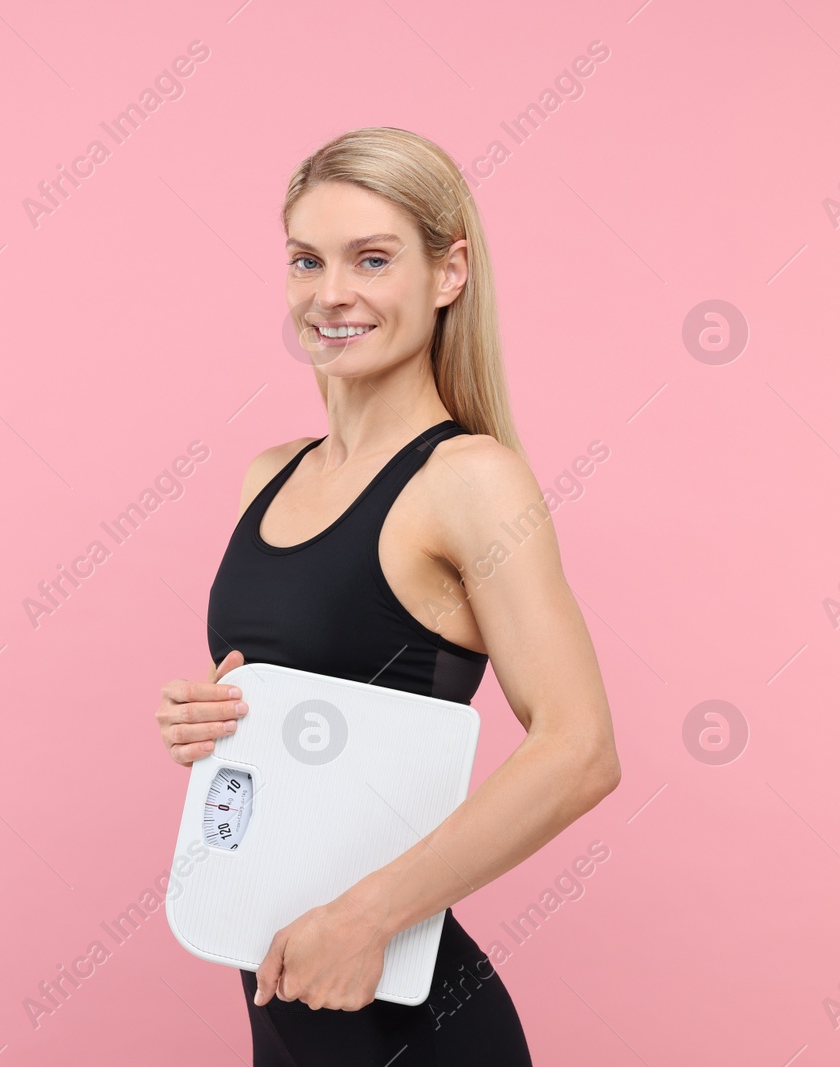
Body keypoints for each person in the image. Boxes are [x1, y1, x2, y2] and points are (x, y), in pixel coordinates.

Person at [154, 127, 621, 1065]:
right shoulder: (269, 475)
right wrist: (202, 725)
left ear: (449, 272)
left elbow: (581, 751)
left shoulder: (470, 480)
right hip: (283, 993)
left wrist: (366, 918)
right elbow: (302, 723)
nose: (331, 293)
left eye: (373, 259)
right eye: (306, 260)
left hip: (405, 1014)